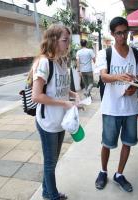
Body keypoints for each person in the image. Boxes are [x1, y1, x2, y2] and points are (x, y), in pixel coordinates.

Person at [94, 17, 138, 192]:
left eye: (125, 32)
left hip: (130, 108)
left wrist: (134, 88)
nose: (122, 36)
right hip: (111, 107)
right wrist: (118, 77)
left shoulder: (136, 53)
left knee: (128, 142)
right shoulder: (105, 54)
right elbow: (103, 76)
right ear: (112, 34)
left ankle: (119, 174)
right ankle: (103, 171)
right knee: (107, 143)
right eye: (118, 33)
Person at [32, 24, 79, 200]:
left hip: (60, 120)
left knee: (52, 161)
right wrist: (64, 103)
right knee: (50, 162)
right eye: (64, 40)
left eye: (68, 40)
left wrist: (74, 95)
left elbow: (60, 88)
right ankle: (52, 196)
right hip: (47, 120)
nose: (68, 44)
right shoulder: (44, 63)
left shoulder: (62, 61)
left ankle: (46, 191)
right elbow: (37, 96)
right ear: (53, 40)